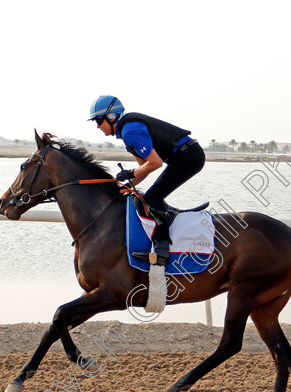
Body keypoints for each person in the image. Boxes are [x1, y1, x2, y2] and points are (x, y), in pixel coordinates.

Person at [88, 95, 205, 265]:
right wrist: (123, 186)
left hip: (189, 156)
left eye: (99, 121)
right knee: (146, 198)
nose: (98, 126)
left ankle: (162, 250)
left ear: (111, 117)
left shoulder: (130, 131)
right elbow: (145, 170)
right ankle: (167, 222)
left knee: (152, 198)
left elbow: (155, 163)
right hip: (185, 156)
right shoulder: (126, 132)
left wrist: (130, 173)